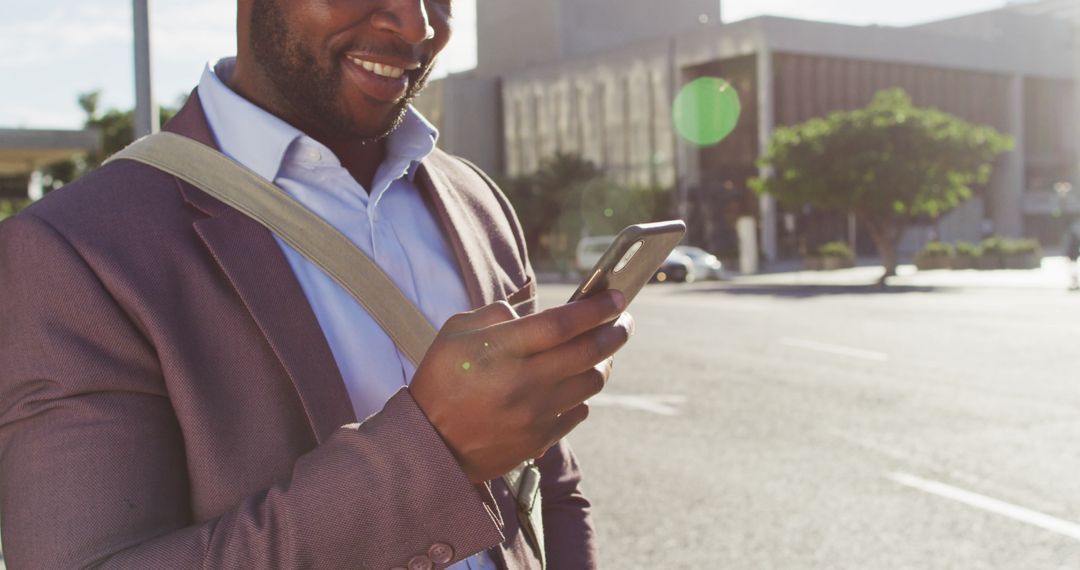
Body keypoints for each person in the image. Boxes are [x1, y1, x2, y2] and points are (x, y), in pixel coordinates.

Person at [0, 1, 633, 568]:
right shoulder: (74, 250)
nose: (416, 24)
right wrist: (431, 452)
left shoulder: (475, 199)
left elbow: (550, 482)